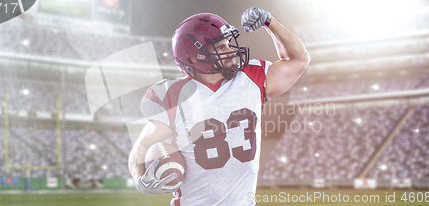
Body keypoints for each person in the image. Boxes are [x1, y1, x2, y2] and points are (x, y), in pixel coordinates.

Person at [128, 7, 310, 206]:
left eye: (228, 44)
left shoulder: (252, 77)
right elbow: (143, 145)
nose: (231, 51)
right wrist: (139, 178)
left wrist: (269, 22)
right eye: (221, 47)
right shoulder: (174, 95)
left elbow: (298, 59)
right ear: (194, 58)